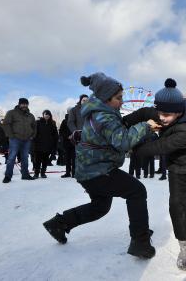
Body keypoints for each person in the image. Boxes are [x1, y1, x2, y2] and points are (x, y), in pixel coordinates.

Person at [43, 72, 158, 259]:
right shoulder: (105, 117)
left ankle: (59, 224)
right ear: (106, 98)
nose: (122, 101)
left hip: (90, 170)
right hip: (97, 171)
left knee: (100, 207)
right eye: (118, 98)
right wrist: (146, 126)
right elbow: (122, 142)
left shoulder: (98, 113)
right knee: (137, 191)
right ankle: (140, 241)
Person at [123, 79, 186, 271]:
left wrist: (129, 146)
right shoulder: (160, 112)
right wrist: (123, 124)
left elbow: (159, 147)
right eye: (159, 113)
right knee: (177, 205)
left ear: (178, 112)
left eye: (166, 115)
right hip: (176, 168)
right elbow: (143, 112)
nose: (161, 118)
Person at [2, 98, 37, 183]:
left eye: (26, 104)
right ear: (19, 104)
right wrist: (11, 136)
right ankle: (8, 176)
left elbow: (34, 126)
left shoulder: (30, 115)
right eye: (23, 104)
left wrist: (32, 135)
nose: (24, 105)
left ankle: (25, 175)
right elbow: (6, 124)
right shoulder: (12, 113)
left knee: (25, 158)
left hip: (27, 140)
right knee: (11, 158)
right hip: (15, 139)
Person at [66, 94, 89, 178]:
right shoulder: (74, 110)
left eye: (87, 100)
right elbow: (70, 122)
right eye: (83, 100)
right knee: (79, 155)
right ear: (80, 101)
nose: (85, 102)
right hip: (79, 135)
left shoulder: (92, 110)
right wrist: (75, 132)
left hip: (91, 136)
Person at [33, 110, 59, 178]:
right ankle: (36, 173)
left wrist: (54, 142)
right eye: (45, 114)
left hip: (48, 145)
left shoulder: (53, 123)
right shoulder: (38, 122)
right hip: (39, 144)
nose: (47, 115)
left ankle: (43, 173)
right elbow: (34, 132)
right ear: (43, 115)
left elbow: (55, 134)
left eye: (48, 114)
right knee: (37, 160)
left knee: (45, 160)